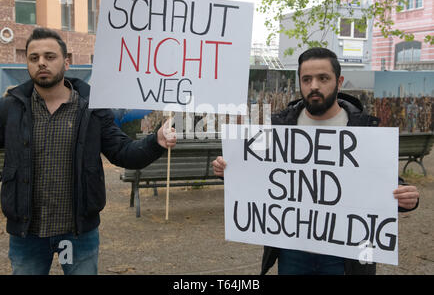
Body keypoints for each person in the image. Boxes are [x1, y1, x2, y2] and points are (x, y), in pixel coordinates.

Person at [212, 47, 419, 275]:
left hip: (345, 252)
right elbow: (257, 176)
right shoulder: (279, 127)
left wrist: (406, 197)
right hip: (292, 250)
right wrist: (229, 170)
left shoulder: (363, 128)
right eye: (307, 79)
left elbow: (387, 183)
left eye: (323, 78)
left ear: (338, 81)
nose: (314, 86)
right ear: (299, 82)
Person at [0, 27, 177, 275]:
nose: (41, 63)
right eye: (34, 57)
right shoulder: (10, 108)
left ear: (66, 62)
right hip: (27, 234)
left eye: (50, 57)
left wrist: (155, 141)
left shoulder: (92, 108)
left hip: (78, 233)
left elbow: (122, 151)